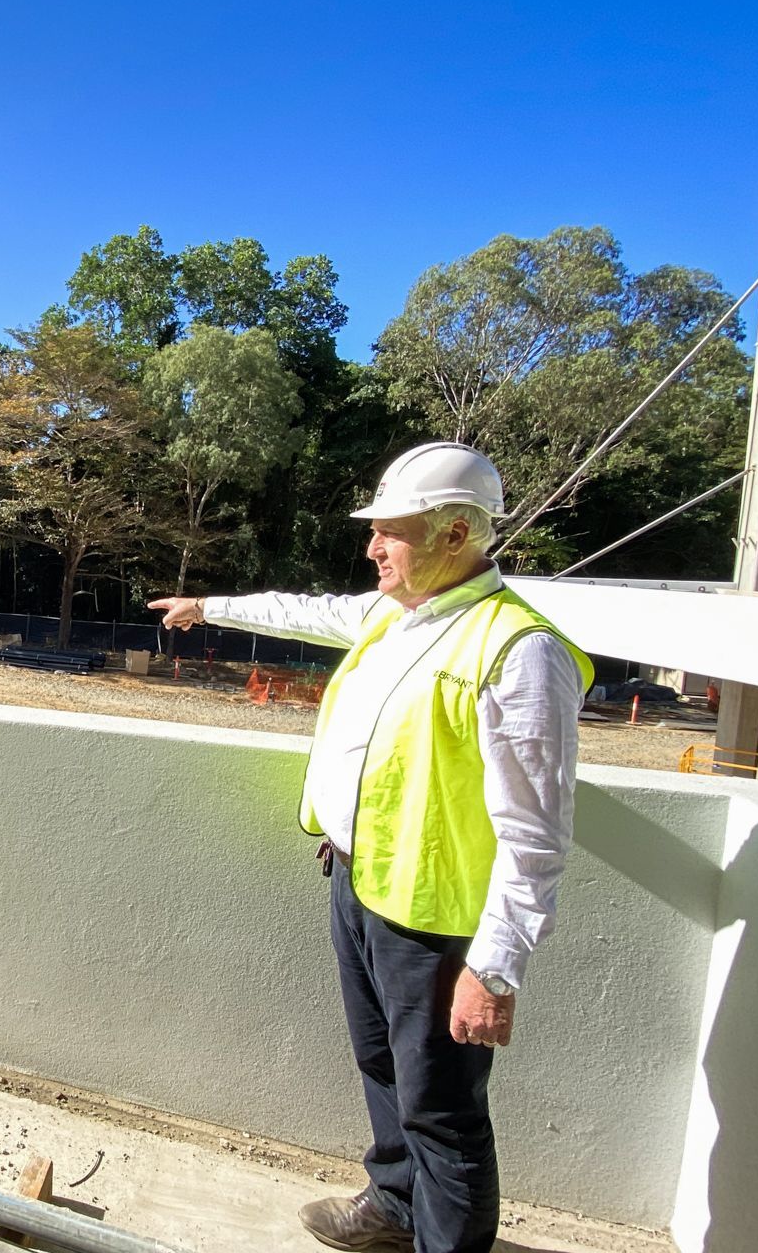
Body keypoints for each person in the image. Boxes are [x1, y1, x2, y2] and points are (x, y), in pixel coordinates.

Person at [150, 442, 592, 1253]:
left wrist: (494, 969)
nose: (372, 548)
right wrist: (207, 606)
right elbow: (305, 611)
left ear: (455, 535)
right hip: (360, 882)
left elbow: (536, 835)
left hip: (435, 920)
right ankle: (394, 1205)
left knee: (443, 1110)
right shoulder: (395, 614)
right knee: (382, 1066)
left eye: (391, 532)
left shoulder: (520, 651)